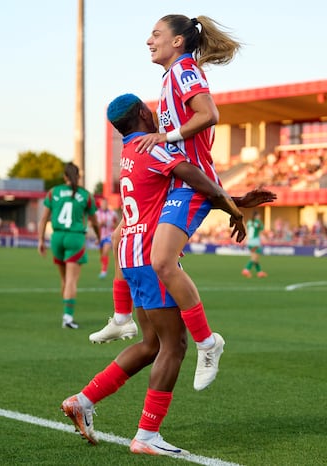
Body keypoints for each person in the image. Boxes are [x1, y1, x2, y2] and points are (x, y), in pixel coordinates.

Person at [61, 93, 248, 456]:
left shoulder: (128, 153)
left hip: (131, 256)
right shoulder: (154, 148)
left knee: (151, 345)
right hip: (150, 258)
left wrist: (234, 200)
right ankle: (146, 435)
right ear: (145, 114)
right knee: (174, 345)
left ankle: (83, 401)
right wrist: (234, 209)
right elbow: (194, 178)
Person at [131, 14, 270, 390]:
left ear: (178, 41)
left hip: (192, 183)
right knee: (149, 252)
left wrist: (166, 135)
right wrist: (232, 203)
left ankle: (208, 343)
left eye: (156, 34)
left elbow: (209, 114)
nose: (149, 40)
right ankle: (124, 318)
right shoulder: (172, 75)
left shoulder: (185, 70)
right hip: (186, 183)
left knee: (161, 259)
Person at [38, 162, 100, 329]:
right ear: (78, 176)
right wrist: (99, 238)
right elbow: (95, 222)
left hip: (56, 237)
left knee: (64, 279)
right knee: (72, 281)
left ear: (64, 176)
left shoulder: (53, 192)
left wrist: (41, 240)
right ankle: (67, 317)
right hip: (75, 238)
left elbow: (44, 218)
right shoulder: (85, 195)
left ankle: (66, 312)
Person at [95, 198, 119, 278]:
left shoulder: (112, 213)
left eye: (105, 204)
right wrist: (100, 224)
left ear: (107, 204)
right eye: (102, 204)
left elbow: (117, 224)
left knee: (105, 252)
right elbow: (93, 225)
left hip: (109, 236)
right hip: (100, 237)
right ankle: (104, 266)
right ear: (101, 205)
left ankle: (104, 270)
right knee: (102, 255)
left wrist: (113, 225)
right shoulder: (97, 213)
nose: (104, 205)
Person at [242, 211, 267, 278]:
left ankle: (260, 272)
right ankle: (246, 270)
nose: (260, 217)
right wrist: (264, 239)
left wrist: (245, 240)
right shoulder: (258, 222)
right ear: (257, 216)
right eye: (259, 215)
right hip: (255, 242)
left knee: (255, 258)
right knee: (254, 258)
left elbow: (246, 231)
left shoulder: (249, 222)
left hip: (249, 242)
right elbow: (262, 231)